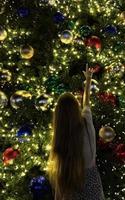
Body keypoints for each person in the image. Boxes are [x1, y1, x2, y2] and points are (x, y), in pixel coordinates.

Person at [46, 64, 105, 200]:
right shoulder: (85, 123)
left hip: (70, 187)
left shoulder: (60, 138)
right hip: (93, 186)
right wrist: (88, 80)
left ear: (59, 116)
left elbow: (59, 192)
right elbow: (87, 104)